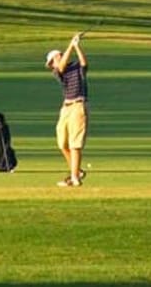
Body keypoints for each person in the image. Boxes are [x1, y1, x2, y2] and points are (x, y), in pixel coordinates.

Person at [46, 33, 88, 187]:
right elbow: (62, 66)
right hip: (66, 108)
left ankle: (75, 177)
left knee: (74, 144)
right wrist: (71, 44)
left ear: (60, 56)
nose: (51, 65)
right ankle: (76, 171)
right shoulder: (58, 71)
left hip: (78, 105)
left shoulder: (76, 66)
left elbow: (84, 62)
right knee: (62, 143)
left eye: (52, 61)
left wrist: (77, 46)